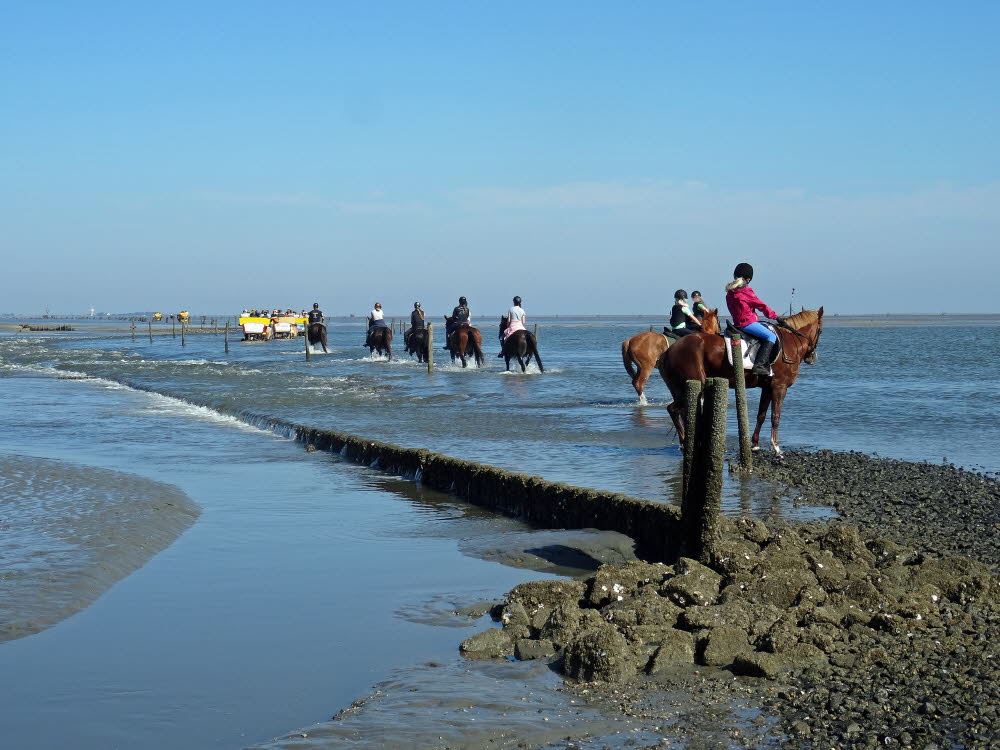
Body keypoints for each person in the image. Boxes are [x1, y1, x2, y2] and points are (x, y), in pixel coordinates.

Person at [725, 262, 780, 376]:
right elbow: (761, 306)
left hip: (737, 323)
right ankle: (758, 366)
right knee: (771, 336)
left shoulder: (730, 292)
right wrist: (776, 317)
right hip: (748, 323)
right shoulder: (746, 291)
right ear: (748, 279)